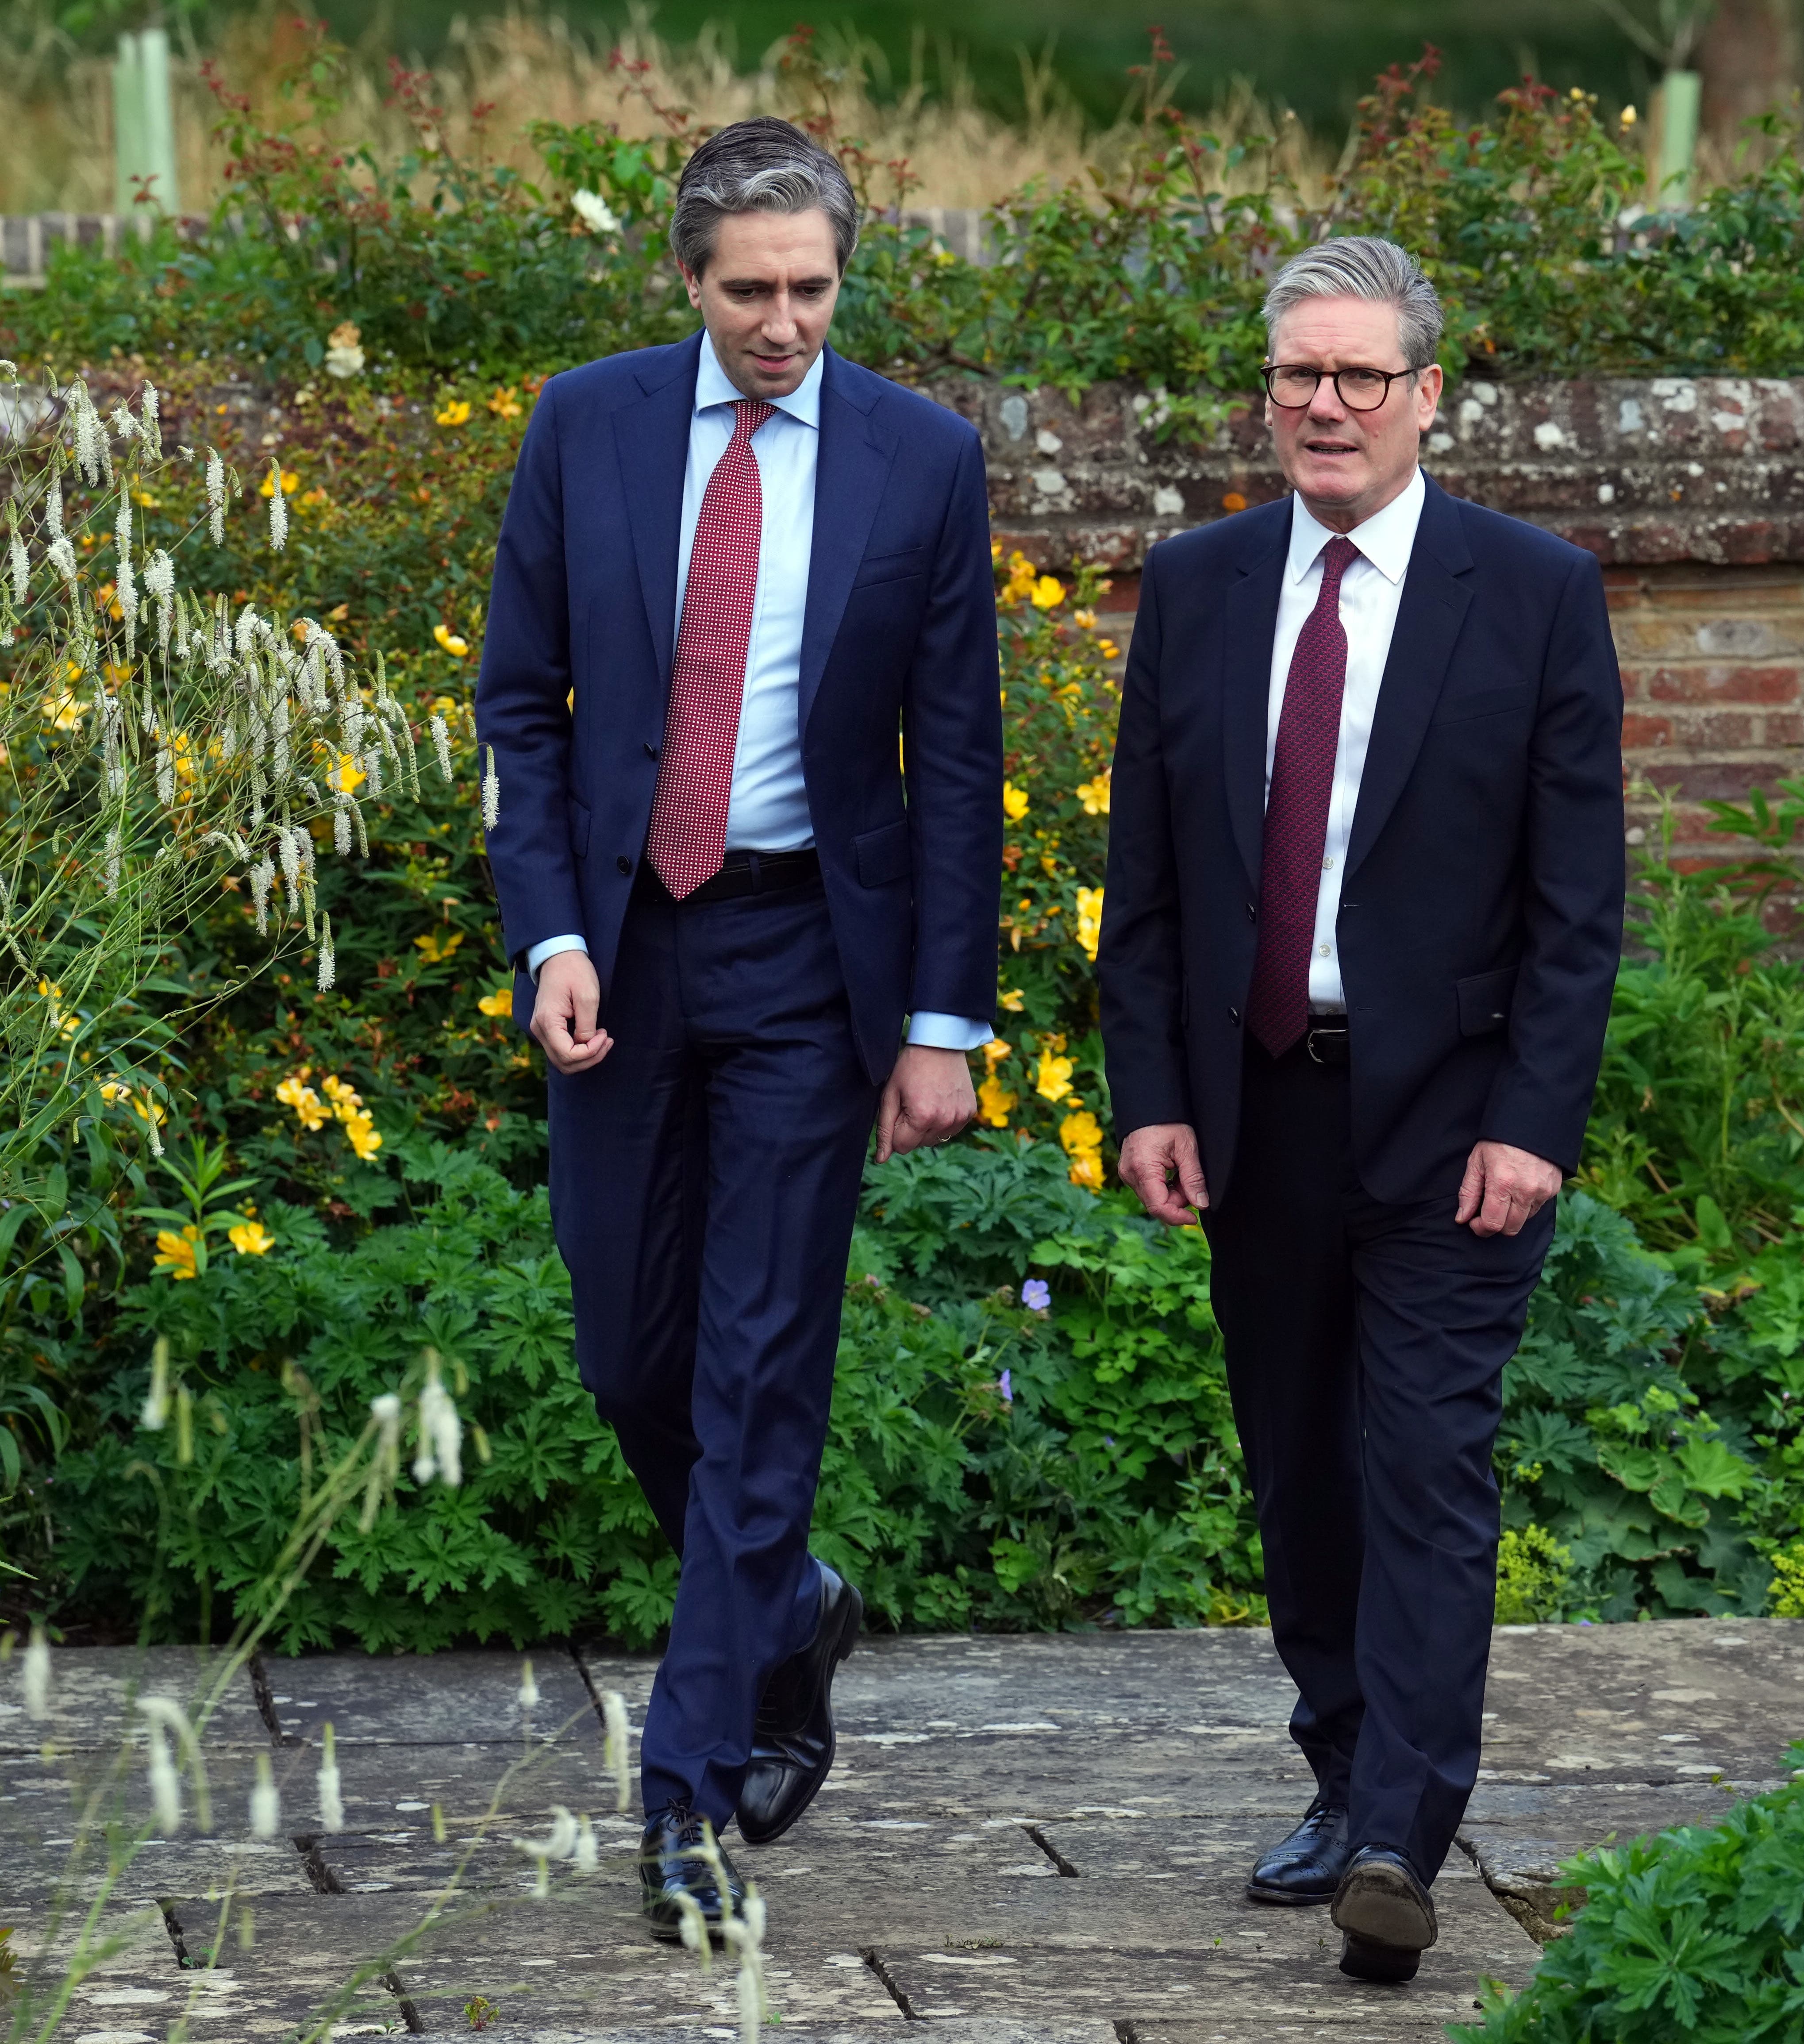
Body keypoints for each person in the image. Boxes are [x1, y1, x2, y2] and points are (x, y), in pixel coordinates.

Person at [475, 116, 1002, 1939]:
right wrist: (548, 932)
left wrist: (943, 1023)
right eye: (752, 291)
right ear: (687, 282)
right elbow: (519, 712)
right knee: (631, 1354)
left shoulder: (924, 461)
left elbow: (960, 752)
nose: (786, 323)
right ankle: (785, 1606)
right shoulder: (586, 427)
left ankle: (685, 1790)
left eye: (815, 290)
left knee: (762, 1367)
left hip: (807, 965)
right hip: (624, 954)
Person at [1097, 235, 1625, 1985]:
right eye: (1296, 377)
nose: (1324, 406)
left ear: (1427, 395)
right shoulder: (1196, 586)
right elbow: (1149, 879)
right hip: (1258, 1110)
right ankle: (1344, 1773)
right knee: (1301, 1471)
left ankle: (1402, 1829)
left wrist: (1535, 1120)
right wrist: (1152, 1092)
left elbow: (1576, 899)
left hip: (1454, 1122)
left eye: (1358, 378)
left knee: (1422, 1465)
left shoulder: (1531, 590)